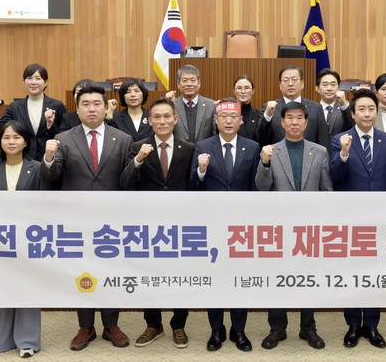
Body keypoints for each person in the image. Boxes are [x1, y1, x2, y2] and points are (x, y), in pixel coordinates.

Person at [40, 85, 133, 351]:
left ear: (106, 108)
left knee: (111, 272)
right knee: (82, 272)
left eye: (96, 104)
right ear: (77, 109)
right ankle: (85, 326)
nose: (91, 109)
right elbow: (51, 176)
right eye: (85, 104)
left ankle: (111, 325)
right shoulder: (63, 138)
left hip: (112, 221)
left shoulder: (122, 138)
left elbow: (128, 181)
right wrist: (48, 157)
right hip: (76, 219)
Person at [0, 120, 49, 358]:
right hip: (1, 238)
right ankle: (6, 340)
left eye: (16, 137)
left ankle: (27, 341)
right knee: (5, 287)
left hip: (29, 237)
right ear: (0, 142)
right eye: (6, 137)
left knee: (28, 287)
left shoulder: (37, 168)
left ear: (25, 142)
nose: (11, 142)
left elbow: (45, 202)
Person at [120, 97, 195, 349]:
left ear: (175, 119)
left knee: (180, 275)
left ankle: (178, 324)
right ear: (149, 120)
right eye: (157, 117)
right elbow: (125, 182)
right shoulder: (138, 146)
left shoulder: (188, 148)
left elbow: (193, 186)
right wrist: (139, 159)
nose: (162, 121)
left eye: (167, 116)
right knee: (149, 274)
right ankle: (153, 323)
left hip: (180, 224)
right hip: (148, 224)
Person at [255, 101, 331, 350]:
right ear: (282, 122)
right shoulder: (270, 150)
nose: (295, 122)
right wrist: (265, 163)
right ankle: (277, 327)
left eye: (300, 118)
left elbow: (326, 191)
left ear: (306, 123)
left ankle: (308, 327)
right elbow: (261, 187)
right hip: (279, 227)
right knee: (277, 277)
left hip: (310, 228)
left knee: (309, 278)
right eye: (290, 118)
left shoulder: (319, 151)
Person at [330, 88, 386, 350]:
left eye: (371, 109)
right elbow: (335, 176)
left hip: (380, 219)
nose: (367, 113)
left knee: (374, 271)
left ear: (377, 112)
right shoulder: (340, 140)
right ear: (353, 113)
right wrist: (344, 153)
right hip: (350, 219)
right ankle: (352, 324)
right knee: (352, 272)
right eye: (362, 109)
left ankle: (371, 324)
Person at [189, 98, 261, 352]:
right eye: (224, 117)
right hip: (213, 225)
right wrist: (201, 170)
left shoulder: (252, 147)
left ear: (241, 121)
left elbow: (256, 188)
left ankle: (238, 330)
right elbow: (193, 186)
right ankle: (216, 329)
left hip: (242, 226)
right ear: (216, 121)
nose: (229, 121)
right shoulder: (202, 146)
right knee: (215, 279)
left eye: (233, 117)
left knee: (240, 279)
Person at [0, 63, 67, 161]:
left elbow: (64, 137)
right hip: (22, 160)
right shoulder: (15, 107)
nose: (33, 82)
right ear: (24, 82)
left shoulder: (57, 106)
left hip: (49, 159)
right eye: (29, 78)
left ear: (46, 82)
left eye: (38, 78)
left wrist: (50, 124)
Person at [255, 65, 329, 149]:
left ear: (302, 84)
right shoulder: (270, 108)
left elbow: (324, 141)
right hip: (279, 156)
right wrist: (267, 115)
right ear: (280, 85)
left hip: (310, 156)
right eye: (286, 80)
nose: (290, 84)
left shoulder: (316, 108)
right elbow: (260, 138)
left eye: (294, 80)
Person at [171, 64, 216, 144]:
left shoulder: (211, 105)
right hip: (179, 151)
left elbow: (215, 135)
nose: (189, 84)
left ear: (199, 83)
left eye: (192, 80)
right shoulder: (171, 106)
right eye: (184, 80)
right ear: (178, 84)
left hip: (205, 151)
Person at [315, 68, 354, 154]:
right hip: (317, 156)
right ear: (317, 88)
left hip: (341, 155)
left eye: (333, 84)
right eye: (325, 85)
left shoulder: (346, 109)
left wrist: (344, 105)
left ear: (339, 87)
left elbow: (353, 129)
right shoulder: (312, 109)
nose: (329, 88)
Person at [107, 77, 153, 142]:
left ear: (143, 94)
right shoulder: (116, 117)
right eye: (128, 92)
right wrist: (110, 111)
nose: (133, 95)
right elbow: (108, 137)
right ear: (123, 96)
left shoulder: (152, 116)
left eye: (136, 91)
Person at [233, 74, 262, 141]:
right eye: (239, 88)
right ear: (234, 91)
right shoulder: (228, 114)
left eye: (246, 88)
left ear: (253, 91)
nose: (243, 92)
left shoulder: (259, 115)